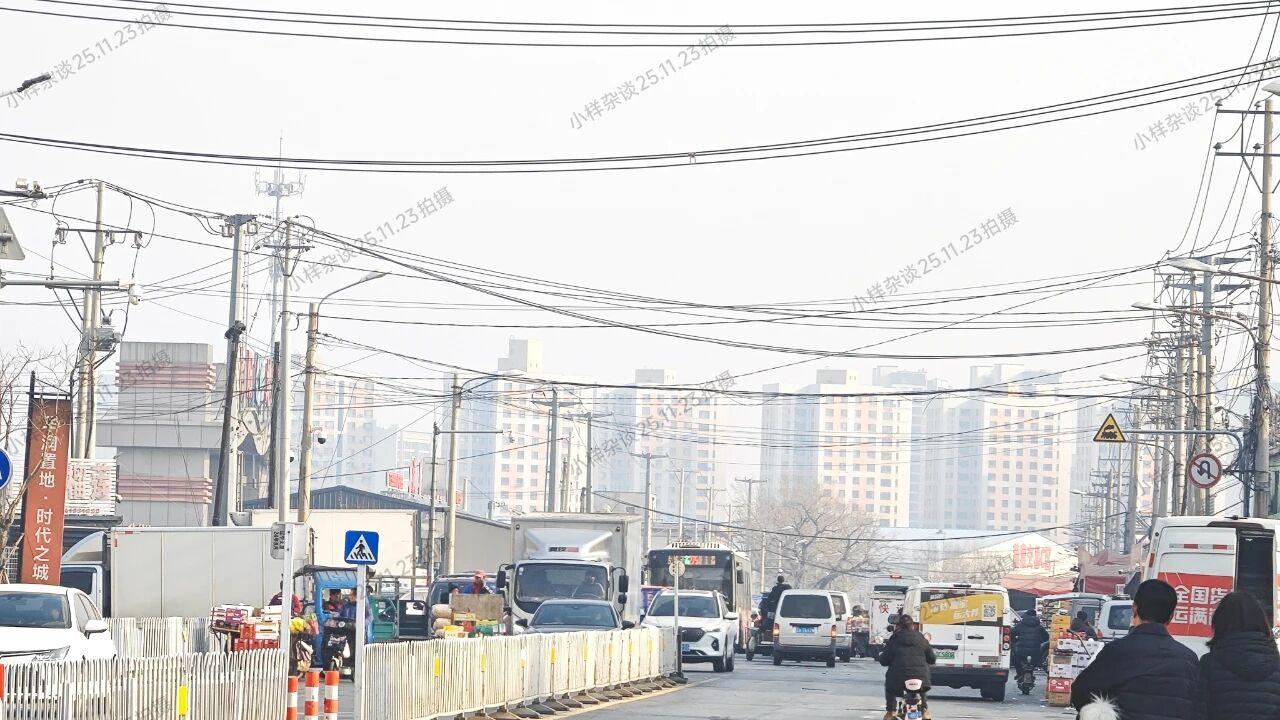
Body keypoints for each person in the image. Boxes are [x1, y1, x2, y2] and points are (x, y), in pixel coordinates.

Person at [1070, 579, 1199, 720]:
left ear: (1134, 609)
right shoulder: (1189, 659)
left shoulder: (1117, 651)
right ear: (1171, 617)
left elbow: (1080, 691)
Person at [1196, 590, 1280, 719]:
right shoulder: (1277, 666)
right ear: (1262, 622)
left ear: (1220, 623)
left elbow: (1199, 713)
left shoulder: (1209, 664)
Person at [878, 614, 935, 720]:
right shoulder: (921, 638)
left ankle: (891, 711)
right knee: (921, 690)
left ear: (899, 626)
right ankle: (924, 711)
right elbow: (932, 659)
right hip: (921, 679)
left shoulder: (894, 639)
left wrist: (882, 657)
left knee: (890, 689)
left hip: (898, 680)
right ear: (912, 626)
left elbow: (884, 660)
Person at [1010, 611, 1049, 676]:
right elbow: (1046, 637)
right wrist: (1038, 642)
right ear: (1035, 616)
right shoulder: (1039, 627)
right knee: (1035, 662)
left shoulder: (1020, 625)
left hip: (1021, 650)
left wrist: (1016, 641)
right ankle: (1031, 672)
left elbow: (1011, 633)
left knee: (1015, 659)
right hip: (1035, 650)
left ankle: (1019, 674)